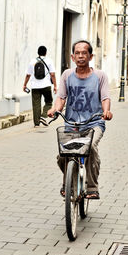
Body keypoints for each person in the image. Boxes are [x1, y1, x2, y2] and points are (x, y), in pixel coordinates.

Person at [48, 40, 112, 199]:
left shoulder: (100, 76)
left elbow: (105, 97)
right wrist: (55, 109)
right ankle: (68, 183)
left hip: (94, 123)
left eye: (84, 53)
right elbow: (61, 97)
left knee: (89, 148)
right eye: (77, 53)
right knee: (64, 154)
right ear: (72, 56)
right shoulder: (67, 75)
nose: (81, 56)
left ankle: (91, 187)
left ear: (90, 56)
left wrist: (106, 111)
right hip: (71, 124)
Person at [23, 45, 57, 127]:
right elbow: (52, 74)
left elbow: (28, 75)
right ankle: (43, 116)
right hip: (46, 85)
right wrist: (55, 86)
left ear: (38, 52)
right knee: (49, 101)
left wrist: (24, 85)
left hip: (35, 86)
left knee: (36, 104)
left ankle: (36, 123)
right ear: (46, 52)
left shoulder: (32, 61)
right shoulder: (49, 61)